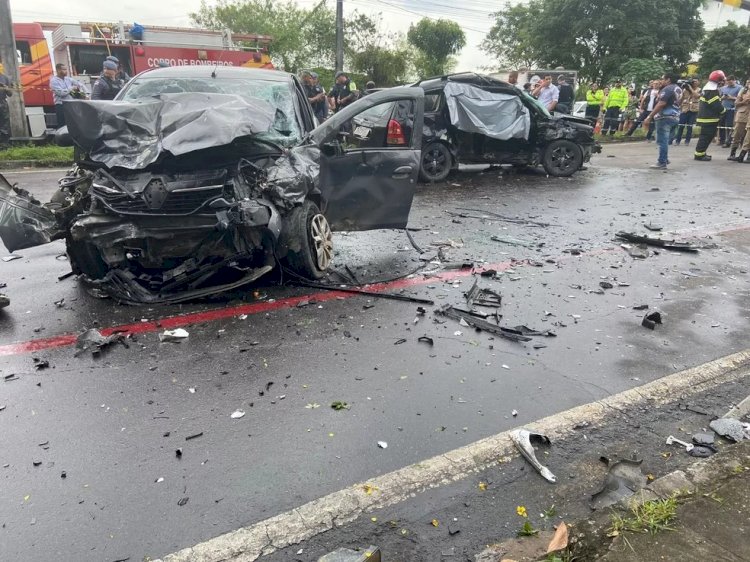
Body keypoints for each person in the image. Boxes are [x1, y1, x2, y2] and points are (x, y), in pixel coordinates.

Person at [642, 73, 682, 170]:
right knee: (666, 140)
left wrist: (649, 116)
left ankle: (662, 162)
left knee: (662, 140)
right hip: (675, 116)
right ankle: (665, 158)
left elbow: (661, 103)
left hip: (664, 117)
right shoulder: (679, 89)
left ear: (668, 80)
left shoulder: (667, 89)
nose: (661, 81)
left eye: (663, 79)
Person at [694, 70, 726, 161]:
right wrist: (724, 111)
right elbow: (716, 105)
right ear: (718, 80)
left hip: (706, 118)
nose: (723, 82)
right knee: (705, 137)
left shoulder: (707, 89)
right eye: (722, 80)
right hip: (709, 118)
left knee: (706, 137)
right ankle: (699, 155)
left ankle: (701, 153)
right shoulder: (712, 91)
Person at [49, 63, 87, 128]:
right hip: (61, 105)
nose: (66, 71)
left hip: (70, 105)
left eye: (66, 69)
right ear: (58, 70)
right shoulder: (54, 81)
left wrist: (86, 93)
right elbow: (61, 93)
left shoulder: (68, 79)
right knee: (62, 125)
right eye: (64, 69)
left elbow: (80, 84)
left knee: (71, 124)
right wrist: (71, 88)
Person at [672, 79, 700, 145]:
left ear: (698, 83)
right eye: (693, 82)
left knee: (689, 127)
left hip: (693, 110)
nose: (694, 83)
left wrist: (690, 88)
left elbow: (697, 96)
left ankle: (687, 141)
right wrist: (682, 89)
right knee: (681, 126)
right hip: (685, 109)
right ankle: (677, 140)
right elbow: (680, 100)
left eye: (695, 81)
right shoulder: (685, 90)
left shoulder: (699, 89)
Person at [727, 79, 750, 160]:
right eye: (748, 82)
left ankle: (746, 156)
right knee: (737, 135)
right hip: (742, 115)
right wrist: (744, 102)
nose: (748, 84)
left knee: (748, 137)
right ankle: (732, 154)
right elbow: (736, 103)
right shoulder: (743, 91)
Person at [718, 75, 741, 147]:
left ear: (734, 80)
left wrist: (731, 97)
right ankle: (722, 140)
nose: (729, 83)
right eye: (727, 81)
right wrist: (723, 97)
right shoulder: (723, 88)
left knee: (729, 126)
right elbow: (719, 98)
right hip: (723, 108)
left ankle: (728, 141)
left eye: (730, 81)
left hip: (732, 109)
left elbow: (741, 98)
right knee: (721, 124)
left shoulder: (739, 88)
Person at [0, 62, 13, 147]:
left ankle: (4, 144)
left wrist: (5, 87)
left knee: (4, 123)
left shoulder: (6, 78)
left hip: (2, 103)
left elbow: (10, 94)